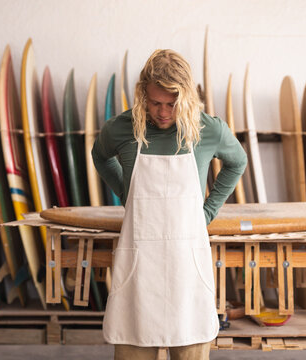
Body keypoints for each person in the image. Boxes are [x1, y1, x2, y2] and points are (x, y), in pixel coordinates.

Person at [92, 49, 247, 360]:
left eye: (172, 104)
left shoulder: (208, 129)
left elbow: (237, 162)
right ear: (142, 95)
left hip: (186, 270)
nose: (163, 112)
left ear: (186, 97)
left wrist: (208, 210)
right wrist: (127, 193)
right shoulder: (122, 129)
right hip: (139, 269)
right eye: (155, 103)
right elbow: (100, 155)